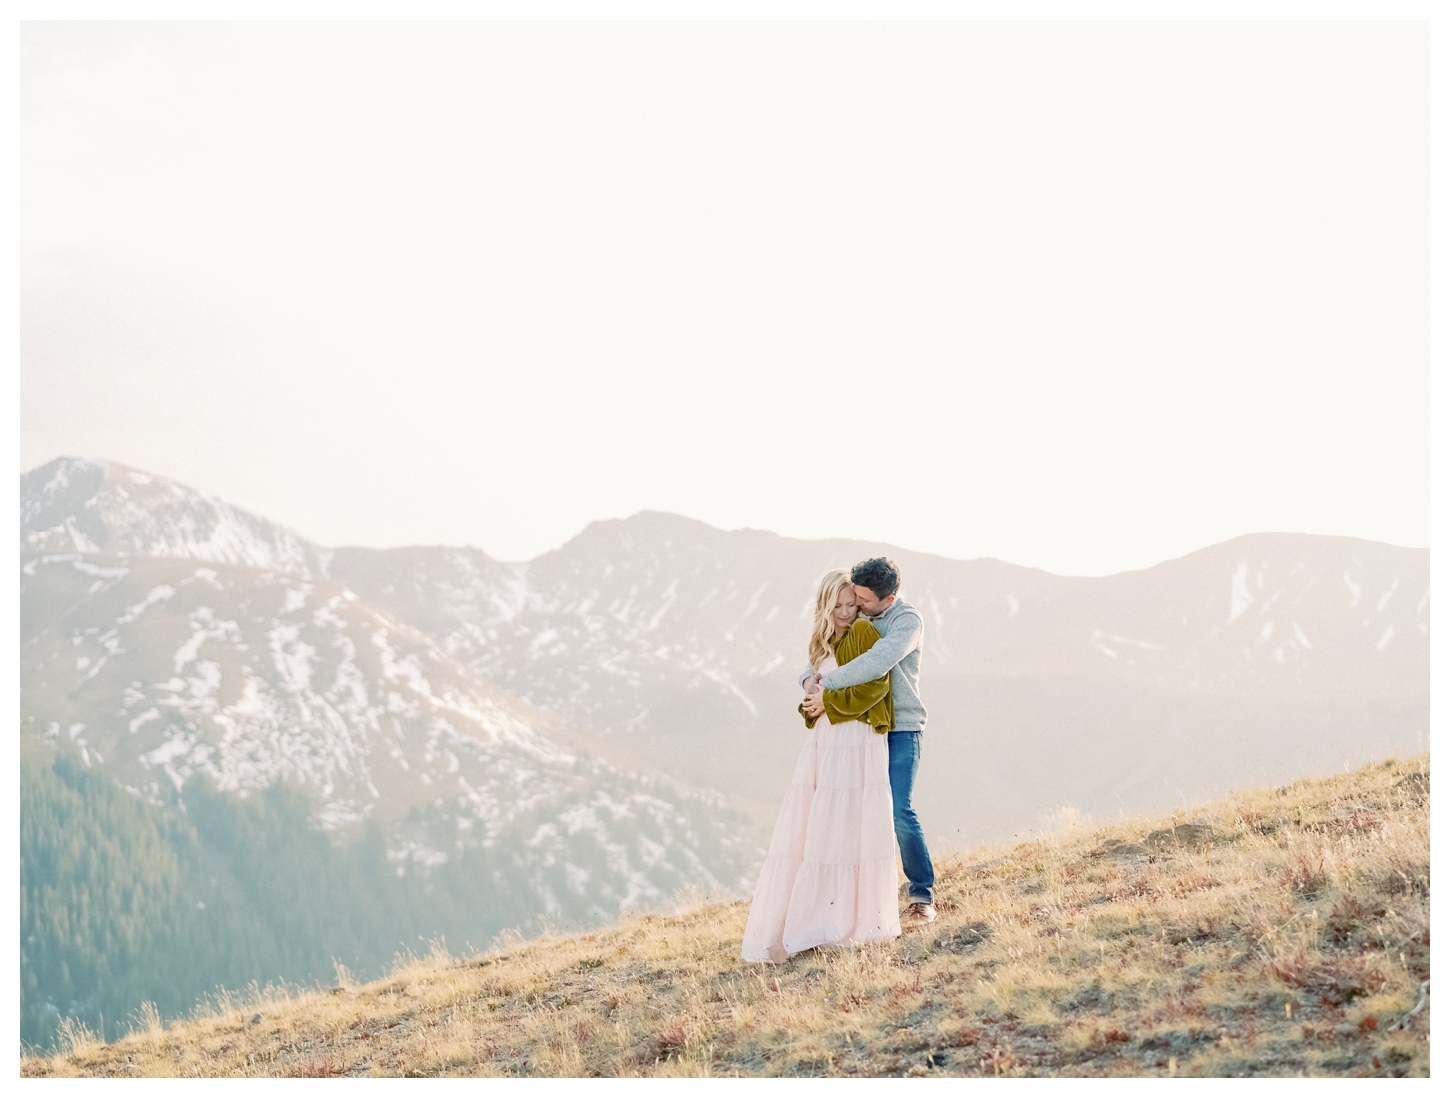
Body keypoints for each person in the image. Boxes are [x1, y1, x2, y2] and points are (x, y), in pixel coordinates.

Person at [740, 569, 902, 963]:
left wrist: (826, 702)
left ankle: (843, 919)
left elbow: (875, 686)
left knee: (846, 822)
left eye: (852, 605)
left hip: (856, 738)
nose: (846, 613)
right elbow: (820, 688)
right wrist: (813, 697)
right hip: (827, 740)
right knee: (819, 825)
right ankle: (816, 916)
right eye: (838, 606)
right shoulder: (822, 642)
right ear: (824, 605)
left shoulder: (863, 633)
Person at [802, 556, 936, 928]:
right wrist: (808, 680)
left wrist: (826, 690)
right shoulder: (860, 618)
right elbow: (825, 656)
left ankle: (922, 894)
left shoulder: (905, 621)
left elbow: (877, 663)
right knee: (858, 814)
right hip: (862, 731)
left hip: (901, 727)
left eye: (862, 599)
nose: (855, 605)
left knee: (898, 809)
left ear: (887, 600)